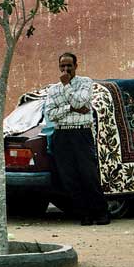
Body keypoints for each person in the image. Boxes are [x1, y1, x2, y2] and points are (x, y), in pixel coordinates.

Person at [44, 52, 110, 225]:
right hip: (62, 134)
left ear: (76, 66)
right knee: (69, 177)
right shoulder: (53, 89)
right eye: (62, 66)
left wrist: (67, 87)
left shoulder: (85, 82)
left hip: (81, 133)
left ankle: (101, 213)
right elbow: (50, 114)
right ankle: (84, 214)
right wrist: (70, 108)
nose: (66, 69)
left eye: (69, 66)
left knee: (88, 174)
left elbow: (81, 102)